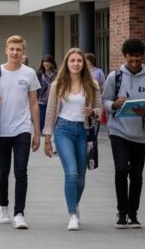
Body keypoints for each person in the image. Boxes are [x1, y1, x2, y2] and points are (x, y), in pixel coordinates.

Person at [0, 35, 41, 229]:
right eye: (12, 49)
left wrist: (37, 132)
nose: (15, 52)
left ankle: (19, 213)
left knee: (21, 171)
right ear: (6, 50)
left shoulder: (30, 73)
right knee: (3, 171)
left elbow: (33, 103)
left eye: (19, 49)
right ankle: (3, 208)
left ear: (23, 52)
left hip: (22, 128)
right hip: (1, 130)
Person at [102, 38, 145, 229]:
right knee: (121, 169)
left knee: (136, 175)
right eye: (130, 60)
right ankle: (122, 212)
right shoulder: (115, 77)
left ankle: (132, 213)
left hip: (140, 133)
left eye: (137, 60)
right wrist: (114, 105)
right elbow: (104, 100)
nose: (134, 64)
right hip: (118, 130)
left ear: (142, 57)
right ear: (125, 57)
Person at [43, 48, 103, 231]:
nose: (76, 64)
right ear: (66, 64)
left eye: (79, 61)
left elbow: (100, 111)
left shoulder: (92, 84)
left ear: (83, 64)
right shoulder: (58, 84)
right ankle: (72, 215)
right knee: (71, 172)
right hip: (63, 130)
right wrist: (47, 137)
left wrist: (93, 112)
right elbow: (51, 111)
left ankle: (75, 203)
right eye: (72, 61)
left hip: (84, 131)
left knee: (81, 177)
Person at [36, 55, 56, 128]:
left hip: (53, 100)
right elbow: (36, 87)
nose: (46, 63)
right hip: (41, 100)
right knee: (41, 118)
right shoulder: (39, 74)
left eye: (48, 62)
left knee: (51, 118)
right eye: (44, 62)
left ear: (52, 63)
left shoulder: (56, 74)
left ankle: (49, 133)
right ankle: (42, 134)